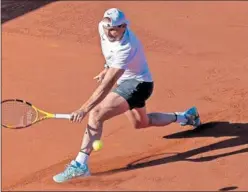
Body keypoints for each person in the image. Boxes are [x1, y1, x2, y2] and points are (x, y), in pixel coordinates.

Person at [53, 8, 201, 183]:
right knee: (141, 123)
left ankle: (80, 165)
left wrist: (84, 109)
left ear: (124, 27)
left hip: (138, 85)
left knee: (96, 113)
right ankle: (186, 116)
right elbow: (109, 54)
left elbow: (106, 85)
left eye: (114, 28)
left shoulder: (127, 46)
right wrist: (107, 67)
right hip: (128, 82)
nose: (109, 32)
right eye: (107, 27)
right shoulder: (103, 27)